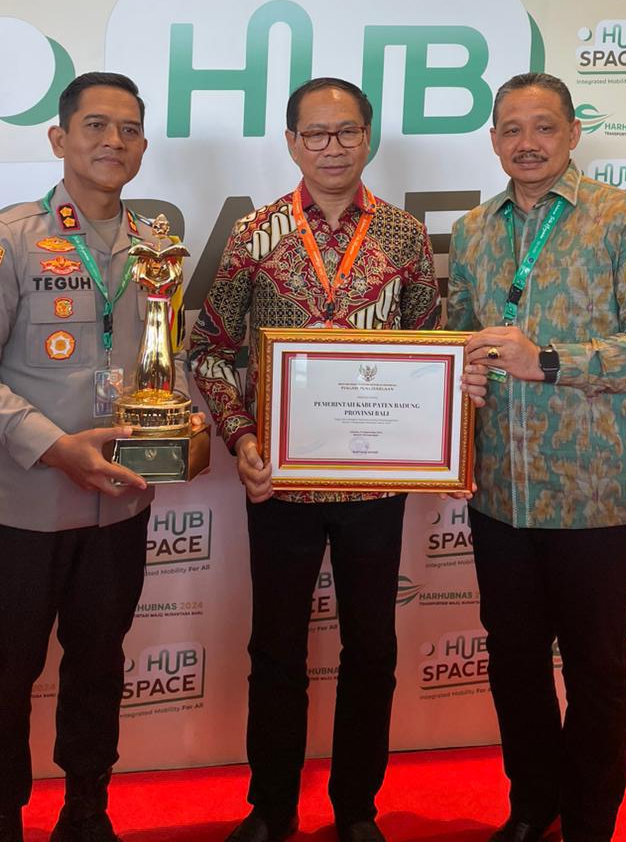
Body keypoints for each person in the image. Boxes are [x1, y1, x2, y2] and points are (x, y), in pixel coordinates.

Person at [188, 77, 440, 842]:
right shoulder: (254, 234)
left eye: (347, 131)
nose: (333, 147)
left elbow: (430, 355)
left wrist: (433, 442)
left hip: (375, 487)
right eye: (316, 134)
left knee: (373, 650)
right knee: (275, 652)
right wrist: (243, 439)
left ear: (369, 136)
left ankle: (357, 810)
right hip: (280, 485)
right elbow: (209, 350)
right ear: (292, 142)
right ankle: (271, 809)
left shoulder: (404, 236)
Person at [0, 72, 174, 842]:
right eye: (96, 125)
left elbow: (159, 367)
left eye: (129, 129)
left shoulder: (156, 246)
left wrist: (180, 437)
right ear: (59, 138)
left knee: (99, 669)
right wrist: (55, 446)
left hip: (119, 508)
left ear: (143, 145)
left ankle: (86, 811)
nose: (113, 141)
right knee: (5, 677)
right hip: (22, 511)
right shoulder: (4, 240)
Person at [448, 72, 626, 842]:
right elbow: (456, 344)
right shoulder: (473, 231)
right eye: (512, 128)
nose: (528, 143)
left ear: (573, 133)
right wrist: (462, 387)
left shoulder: (623, 218)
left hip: (594, 495)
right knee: (514, 662)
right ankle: (532, 805)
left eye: (544, 126)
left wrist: (546, 361)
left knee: (596, 667)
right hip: (500, 494)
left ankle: (588, 822)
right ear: (492, 139)